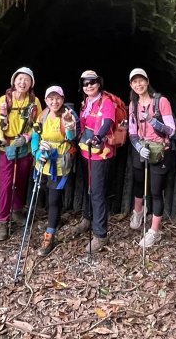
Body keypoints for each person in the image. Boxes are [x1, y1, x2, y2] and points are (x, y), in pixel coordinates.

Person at [64, 69, 116, 252]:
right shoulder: (86, 102)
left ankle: (100, 234)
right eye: (85, 83)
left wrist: (98, 137)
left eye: (92, 82)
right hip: (86, 153)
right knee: (88, 188)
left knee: (97, 192)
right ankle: (87, 218)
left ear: (98, 82)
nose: (89, 85)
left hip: (100, 154)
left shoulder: (106, 102)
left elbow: (108, 122)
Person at [126, 68, 175, 248]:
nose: (138, 84)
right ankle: (138, 212)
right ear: (131, 85)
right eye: (134, 82)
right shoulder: (133, 104)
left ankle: (154, 230)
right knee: (139, 181)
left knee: (155, 190)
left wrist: (152, 120)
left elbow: (172, 130)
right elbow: (132, 131)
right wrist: (138, 147)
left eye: (141, 80)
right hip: (142, 147)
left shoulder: (161, 101)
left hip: (159, 149)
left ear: (147, 81)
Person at [0, 67, 41, 241]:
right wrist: (1, 139)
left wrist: (28, 138)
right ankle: (2, 221)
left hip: (24, 147)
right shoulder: (4, 100)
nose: (23, 82)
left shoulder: (34, 102)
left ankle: (17, 209)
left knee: (20, 180)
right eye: (20, 79)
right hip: (7, 146)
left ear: (31, 83)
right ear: (14, 81)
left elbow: (37, 125)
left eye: (26, 80)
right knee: (5, 184)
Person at [30, 86, 79, 256]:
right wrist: (36, 151)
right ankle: (55, 219)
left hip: (59, 163)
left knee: (53, 198)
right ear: (46, 100)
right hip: (43, 161)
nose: (54, 101)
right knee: (45, 191)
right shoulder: (43, 115)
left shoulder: (68, 115)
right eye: (50, 98)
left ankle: (49, 235)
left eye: (57, 98)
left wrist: (70, 126)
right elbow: (35, 135)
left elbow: (72, 137)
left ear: (63, 99)